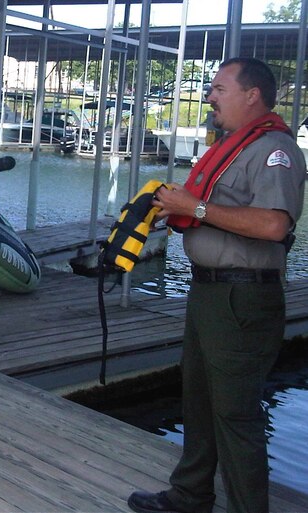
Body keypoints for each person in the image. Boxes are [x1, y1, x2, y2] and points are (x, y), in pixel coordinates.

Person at [127, 57, 306, 513]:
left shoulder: (274, 151)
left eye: (219, 89)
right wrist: (180, 209)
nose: (209, 97)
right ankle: (191, 495)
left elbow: (272, 224)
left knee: (236, 414)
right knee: (200, 399)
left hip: (242, 295)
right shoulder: (236, 146)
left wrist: (198, 208)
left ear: (252, 96)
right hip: (210, 292)